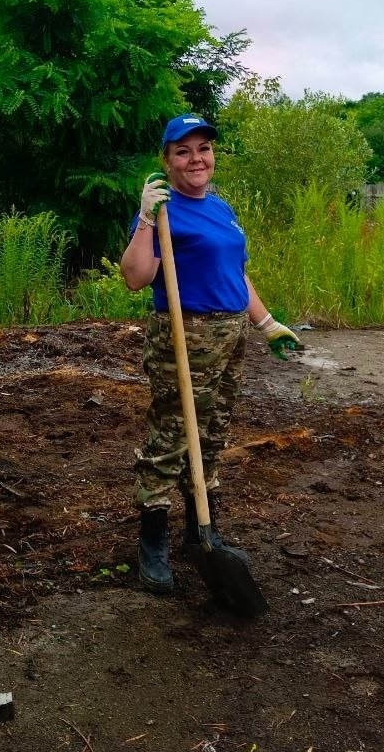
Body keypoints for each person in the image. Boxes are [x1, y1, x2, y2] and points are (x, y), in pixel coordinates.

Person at [119, 113, 303, 595]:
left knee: (214, 430)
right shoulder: (163, 211)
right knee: (175, 433)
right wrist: (143, 218)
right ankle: (152, 541)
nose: (196, 159)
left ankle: (202, 531)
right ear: (168, 160)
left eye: (203, 149)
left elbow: (237, 275)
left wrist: (266, 323)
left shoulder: (221, 209)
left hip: (231, 334)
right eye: (183, 151)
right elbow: (136, 277)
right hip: (185, 333)